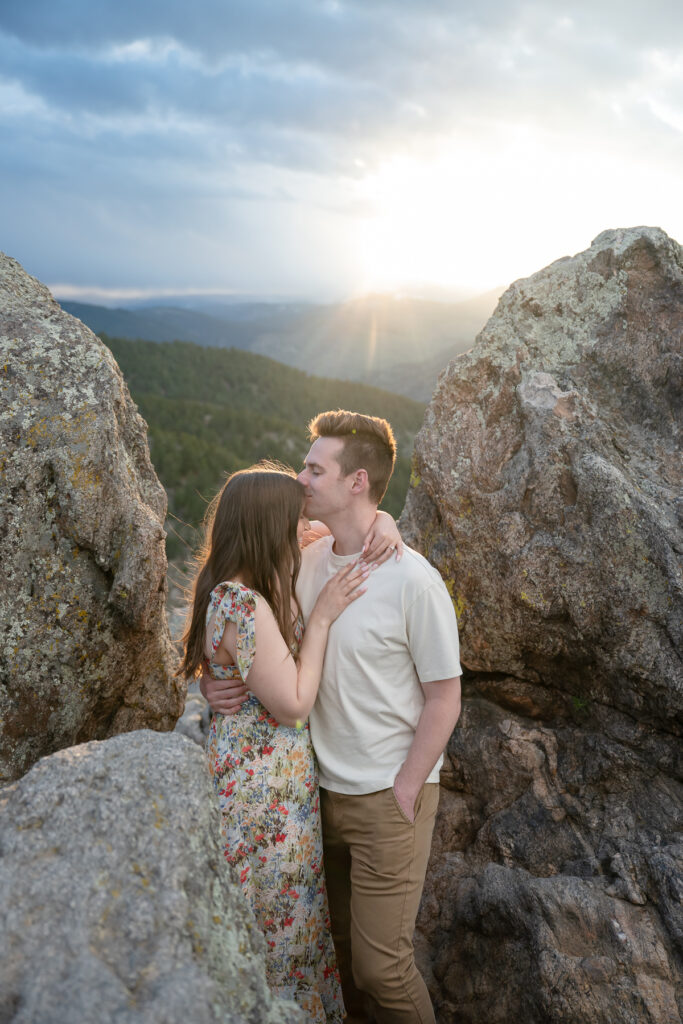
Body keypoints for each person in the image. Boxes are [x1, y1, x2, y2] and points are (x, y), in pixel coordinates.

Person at [203, 413, 462, 1024]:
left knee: (383, 969)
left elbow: (445, 697)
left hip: (384, 798)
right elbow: (242, 604)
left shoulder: (413, 581)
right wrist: (217, 677)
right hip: (313, 797)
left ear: (357, 481)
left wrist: (406, 787)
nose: (302, 477)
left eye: (315, 468)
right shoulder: (309, 556)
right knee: (336, 958)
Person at [182, 462, 400, 1021]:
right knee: (280, 933)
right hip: (263, 799)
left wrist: (389, 522)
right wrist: (323, 616)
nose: (303, 529)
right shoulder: (242, 604)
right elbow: (294, 702)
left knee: (289, 925)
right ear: (267, 528)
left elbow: (349, 525)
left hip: (271, 787)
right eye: (294, 521)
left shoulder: (243, 589)